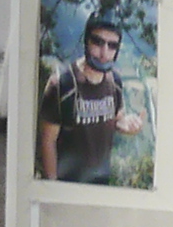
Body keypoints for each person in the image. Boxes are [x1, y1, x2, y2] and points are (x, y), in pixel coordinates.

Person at [46, 11, 143, 182]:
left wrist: (125, 124)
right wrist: (52, 186)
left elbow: (117, 117)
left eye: (112, 46)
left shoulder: (115, 82)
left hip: (102, 181)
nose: (104, 53)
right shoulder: (62, 84)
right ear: (86, 41)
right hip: (69, 183)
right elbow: (48, 141)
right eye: (98, 42)